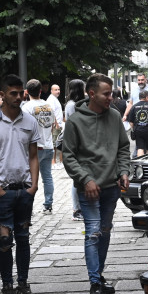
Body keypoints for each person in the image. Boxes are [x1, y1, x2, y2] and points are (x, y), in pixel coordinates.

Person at [61, 74, 130, 294]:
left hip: (111, 186)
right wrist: (85, 179)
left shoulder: (115, 117)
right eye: (106, 94)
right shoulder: (75, 122)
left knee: (105, 232)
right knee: (93, 232)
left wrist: (123, 171)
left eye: (111, 93)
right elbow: (68, 156)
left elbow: (123, 147)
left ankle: (98, 276)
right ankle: (94, 282)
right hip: (89, 188)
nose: (111, 97)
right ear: (92, 94)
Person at [0, 74, 40, 294]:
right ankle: (7, 287)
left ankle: (23, 285)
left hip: (24, 190)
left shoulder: (30, 121)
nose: (18, 97)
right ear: (3, 94)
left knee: (24, 239)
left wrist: (34, 186)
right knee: (4, 240)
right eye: (13, 93)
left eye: (21, 93)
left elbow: (34, 155)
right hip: (3, 192)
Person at [22, 79, 56, 213]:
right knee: (47, 177)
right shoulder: (49, 106)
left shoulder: (26, 108)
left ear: (26, 92)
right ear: (41, 91)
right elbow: (52, 125)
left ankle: (27, 206)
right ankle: (48, 204)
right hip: (48, 145)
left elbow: (25, 129)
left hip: (35, 148)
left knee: (29, 179)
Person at [64, 79, 87, 221]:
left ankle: (79, 207)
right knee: (76, 178)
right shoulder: (73, 105)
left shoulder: (73, 104)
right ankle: (76, 209)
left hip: (78, 141)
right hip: (76, 142)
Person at [129, 90, 148, 157]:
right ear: (147, 97)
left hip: (138, 130)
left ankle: (140, 165)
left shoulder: (134, 107)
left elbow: (131, 122)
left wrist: (134, 128)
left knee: (140, 149)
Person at [46, 84, 64, 165]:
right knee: (53, 143)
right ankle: (52, 161)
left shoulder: (55, 99)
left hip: (58, 124)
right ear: (51, 91)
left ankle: (54, 161)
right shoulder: (51, 99)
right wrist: (56, 124)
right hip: (54, 125)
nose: (58, 91)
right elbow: (51, 112)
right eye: (56, 90)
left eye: (58, 89)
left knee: (55, 142)